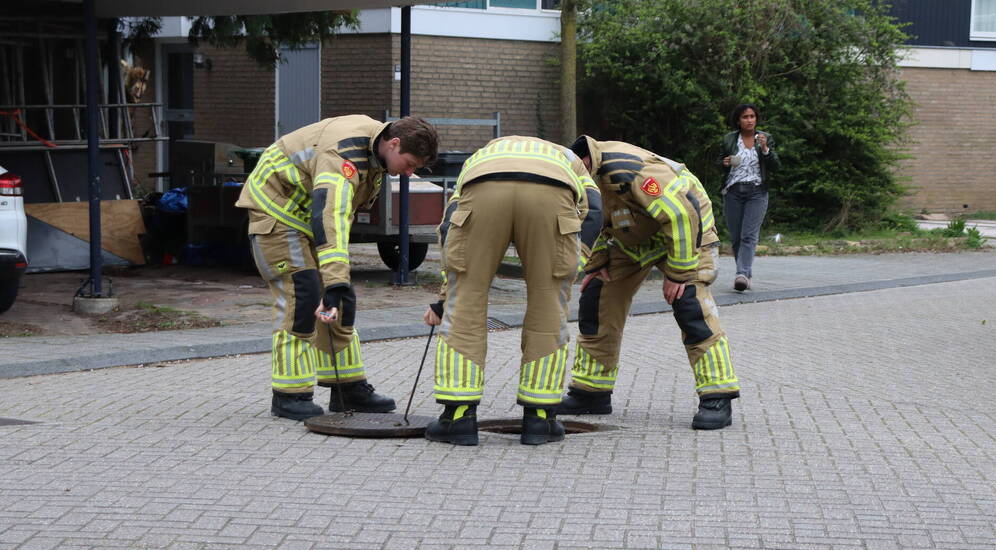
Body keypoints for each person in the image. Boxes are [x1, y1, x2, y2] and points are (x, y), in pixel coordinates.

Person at [238, 114, 439, 420]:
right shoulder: (343, 154)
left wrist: (336, 283)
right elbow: (330, 214)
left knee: (341, 298)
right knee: (302, 294)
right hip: (276, 214)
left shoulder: (375, 152)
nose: (410, 173)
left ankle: (348, 388)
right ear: (394, 143)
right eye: (410, 163)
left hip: (309, 219)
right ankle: (289, 395)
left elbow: (338, 219)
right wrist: (333, 280)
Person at [422, 136, 603, 446]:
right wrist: (571, 265)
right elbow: (595, 211)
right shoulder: (570, 160)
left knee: (465, 301)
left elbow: (449, 225)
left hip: (483, 189)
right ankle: (540, 420)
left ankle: (458, 418)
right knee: (548, 304)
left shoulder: (483, 154)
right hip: (553, 196)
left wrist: (445, 295)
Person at [557, 136, 739, 430]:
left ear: (584, 164)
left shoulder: (629, 169)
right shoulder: (574, 180)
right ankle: (590, 392)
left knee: (690, 305)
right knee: (597, 297)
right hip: (631, 238)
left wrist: (678, 273)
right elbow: (586, 222)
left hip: (686, 236)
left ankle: (717, 395)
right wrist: (598, 259)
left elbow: (681, 215)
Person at [720, 103, 780, 292]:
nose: (749, 120)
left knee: (748, 235)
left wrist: (765, 149)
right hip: (733, 191)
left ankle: (742, 274)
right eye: (745, 117)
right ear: (738, 120)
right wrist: (724, 162)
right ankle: (745, 274)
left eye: (752, 116)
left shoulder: (765, 138)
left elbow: (776, 166)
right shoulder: (729, 139)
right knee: (736, 237)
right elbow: (718, 164)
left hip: (756, 191)